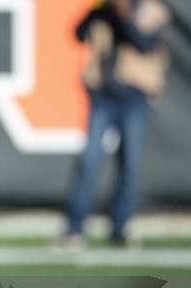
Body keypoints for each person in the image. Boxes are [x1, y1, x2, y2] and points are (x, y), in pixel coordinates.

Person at [65, 0, 170, 245]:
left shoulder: (152, 10)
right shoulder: (103, 11)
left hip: (135, 97)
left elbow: (144, 44)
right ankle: (75, 226)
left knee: (129, 165)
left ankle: (120, 227)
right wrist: (96, 12)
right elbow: (78, 34)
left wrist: (122, 15)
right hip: (102, 96)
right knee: (89, 161)